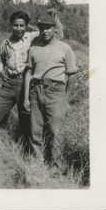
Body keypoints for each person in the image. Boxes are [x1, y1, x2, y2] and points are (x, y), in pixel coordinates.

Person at [0, 10, 64, 131]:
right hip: (9, 84)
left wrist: (55, 18)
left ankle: (24, 147)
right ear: (11, 25)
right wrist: (0, 71)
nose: (18, 28)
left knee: (26, 121)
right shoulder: (6, 43)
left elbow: (58, 34)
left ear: (26, 26)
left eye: (22, 25)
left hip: (26, 84)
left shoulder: (32, 38)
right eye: (15, 25)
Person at [23, 14, 78, 167]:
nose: (45, 31)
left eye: (48, 28)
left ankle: (55, 165)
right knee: (35, 129)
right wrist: (26, 97)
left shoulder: (65, 48)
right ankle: (37, 163)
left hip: (55, 90)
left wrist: (65, 98)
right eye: (42, 28)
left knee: (55, 130)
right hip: (36, 90)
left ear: (54, 29)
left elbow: (71, 74)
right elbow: (28, 72)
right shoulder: (34, 46)